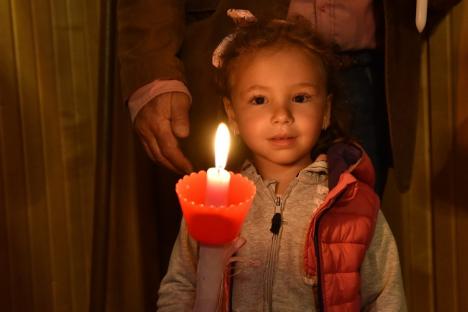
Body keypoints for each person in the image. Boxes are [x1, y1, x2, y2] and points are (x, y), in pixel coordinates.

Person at [157, 17, 406, 311]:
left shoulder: (353, 206)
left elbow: (386, 299)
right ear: (232, 115)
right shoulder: (212, 204)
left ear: (325, 110)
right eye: (259, 99)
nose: (281, 115)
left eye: (300, 97)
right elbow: (181, 286)